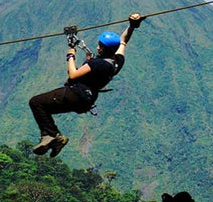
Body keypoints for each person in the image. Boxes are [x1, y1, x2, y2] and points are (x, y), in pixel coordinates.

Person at [29, 13, 144, 157]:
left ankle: (52, 135)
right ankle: (52, 136)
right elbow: (124, 41)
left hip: (75, 94)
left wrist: (71, 55)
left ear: (101, 48)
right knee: (45, 108)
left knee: (36, 102)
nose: (97, 47)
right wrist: (132, 26)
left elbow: (73, 74)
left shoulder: (97, 64)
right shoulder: (116, 62)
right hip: (86, 100)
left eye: (99, 45)